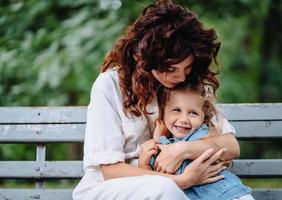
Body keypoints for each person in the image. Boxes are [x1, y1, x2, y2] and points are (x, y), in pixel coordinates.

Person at [72, 0, 241, 199]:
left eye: (186, 68)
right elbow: (110, 170)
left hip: (183, 184)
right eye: (171, 69)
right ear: (143, 58)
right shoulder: (108, 85)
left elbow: (230, 145)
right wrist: (182, 181)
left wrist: (182, 150)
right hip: (114, 188)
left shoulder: (187, 85)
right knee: (165, 189)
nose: (181, 77)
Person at [139, 80, 254, 200]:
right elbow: (153, 182)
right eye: (177, 110)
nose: (184, 119)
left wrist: (159, 140)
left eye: (193, 113)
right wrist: (144, 163)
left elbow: (227, 149)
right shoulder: (164, 143)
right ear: (163, 113)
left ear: (204, 117)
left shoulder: (203, 134)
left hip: (228, 196)